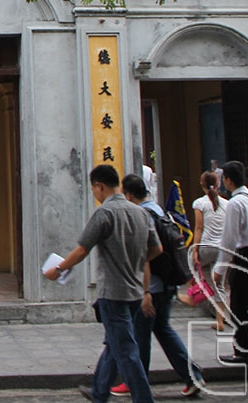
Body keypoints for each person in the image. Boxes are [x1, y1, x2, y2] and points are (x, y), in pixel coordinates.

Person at [44, 165, 163, 403]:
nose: (95, 194)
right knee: (115, 343)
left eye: (94, 189)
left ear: (99, 186)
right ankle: (99, 392)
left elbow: (82, 249)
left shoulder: (105, 213)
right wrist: (135, 260)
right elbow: (157, 249)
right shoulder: (141, 213)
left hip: (113, 292)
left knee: (127, 350)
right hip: (134, 291)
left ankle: (143, 398)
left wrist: (59, 269)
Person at [110, 174, 203, 398]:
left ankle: (134, 383)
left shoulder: (141, 215)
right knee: (162, 329)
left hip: (152, 286)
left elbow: (145, 254)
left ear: (129, 195)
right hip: (168, 282)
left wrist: (145, 292)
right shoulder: (160, 211)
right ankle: (193, 377)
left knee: (140, 335)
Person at [213, 160, 248, 363]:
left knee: (238, 304)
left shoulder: (235, 203)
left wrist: (220, 267)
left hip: (244, 255)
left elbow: (229, 237)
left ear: (228, 180)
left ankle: (242, 350)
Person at [191, 170, 228, 331]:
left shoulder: (200, 203)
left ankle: (193, 295)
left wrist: (194, 249)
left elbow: (199, 228)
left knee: (198, 273)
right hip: (222, 248)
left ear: (202, 185)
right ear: (218, 184)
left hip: (206, 247)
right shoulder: (227, 204)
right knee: (220, 284)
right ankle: (220, 319)